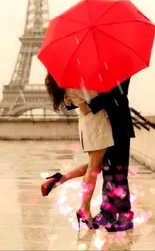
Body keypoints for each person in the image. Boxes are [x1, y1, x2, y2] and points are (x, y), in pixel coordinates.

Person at [41, 73, 114, 231]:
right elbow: (89, 105)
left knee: (95, 166)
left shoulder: (66, 86)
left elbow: (77, 104)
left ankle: (61, 178)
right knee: (94, 168)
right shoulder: (75, 85)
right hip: (96, 126)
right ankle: (84, 209)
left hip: (89, 125)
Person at [66, 79, 135, 232]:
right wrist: (72, 101)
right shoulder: (99, 69)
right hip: (103, 126)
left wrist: (88, 106)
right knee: (108, 171)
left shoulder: (120, 66)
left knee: (118, 171)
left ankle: (125, 216)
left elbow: (114, 93)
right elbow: (89, 93)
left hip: (118, 124)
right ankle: (108, 212)